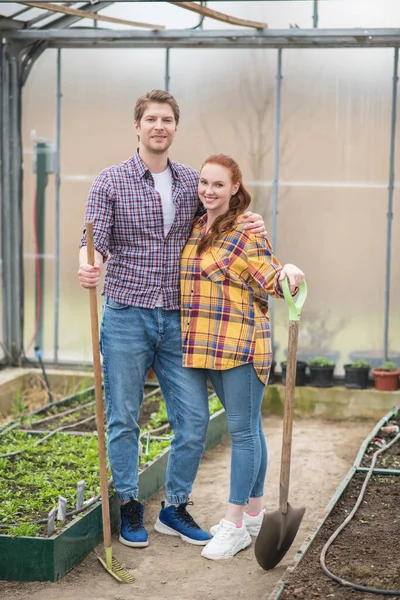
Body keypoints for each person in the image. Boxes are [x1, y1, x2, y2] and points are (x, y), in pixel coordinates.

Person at [78, 90, 268, 549]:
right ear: (137, 126)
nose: (159, 126)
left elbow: (221, 214)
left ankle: (174, 507)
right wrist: (88, 261)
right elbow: (92, 238)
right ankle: (128, 505)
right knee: (123, 416)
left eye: (167, 119)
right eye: (151, 119)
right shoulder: (110, 182)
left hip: (180, 320)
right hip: (126, 314)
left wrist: (250, 219)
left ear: (175, 128)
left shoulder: (190, 181)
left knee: (195, 418)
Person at [180, 154, 305, 560]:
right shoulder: (199, 225)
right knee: (249, 426)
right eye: (204, 183)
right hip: (206, 346)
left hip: (241, 345)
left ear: (235, 188)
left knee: (243, 433)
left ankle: (233, 525)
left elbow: (269, 274)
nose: (208, 191)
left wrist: (288, 269)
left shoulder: (246, 230)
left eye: (218, 184)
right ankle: (253, 515)